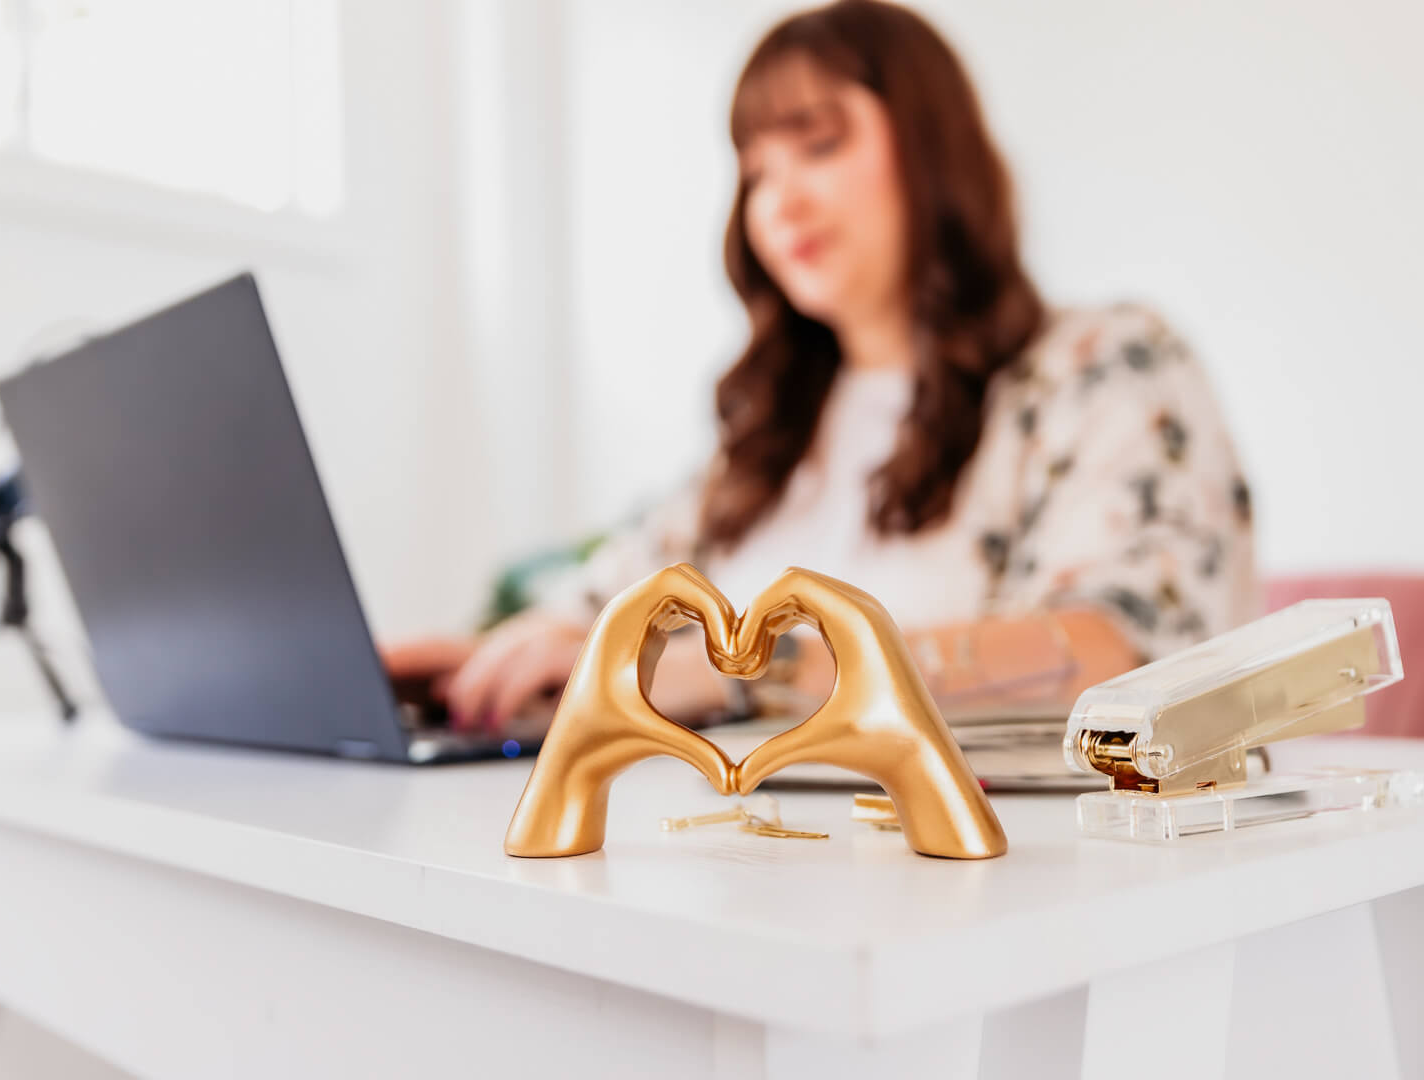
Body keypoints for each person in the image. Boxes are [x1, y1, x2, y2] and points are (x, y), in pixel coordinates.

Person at [384, 0, 1258, 734]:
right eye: (755, 171)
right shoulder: (774, 434)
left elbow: (1121, 648)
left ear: (931, 150)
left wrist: (748, 672)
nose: (778, 202)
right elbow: (601, 613)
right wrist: (488, 668)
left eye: (819, 145)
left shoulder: (1103, 364)